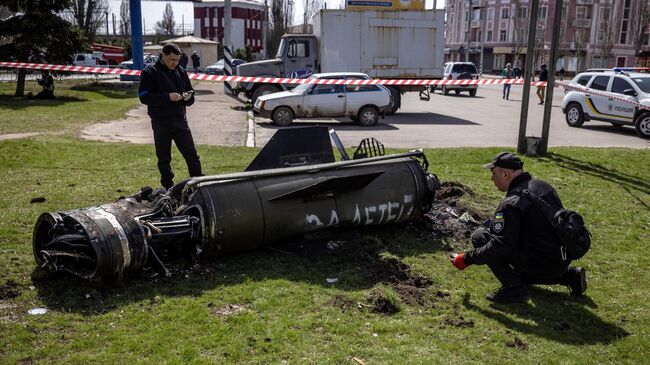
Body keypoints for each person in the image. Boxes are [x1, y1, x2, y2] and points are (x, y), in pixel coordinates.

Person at [450, 152, 587, 304]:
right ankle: (569, 276)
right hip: (561, 260)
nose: (492, 178)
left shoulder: (511, 204)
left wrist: (467, 259)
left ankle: (514, 289)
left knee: (480, 236)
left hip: (541, 263)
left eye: (493, 173)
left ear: (506, 174)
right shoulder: (542, 185)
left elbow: (499, 246)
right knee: (519, 269)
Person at [139, 43, 203, 190]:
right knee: (164, 157)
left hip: (180, 120)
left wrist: (188, 97)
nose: (175, 63)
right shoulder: (150, 72)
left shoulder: (180, 70)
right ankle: (168, 186)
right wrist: (167, 97)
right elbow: (144, 97)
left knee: (192, 155)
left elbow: (191, 93)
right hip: (161, 121)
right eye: (172, 59)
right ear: (163, 56)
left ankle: (198, 183)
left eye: (177, 60)